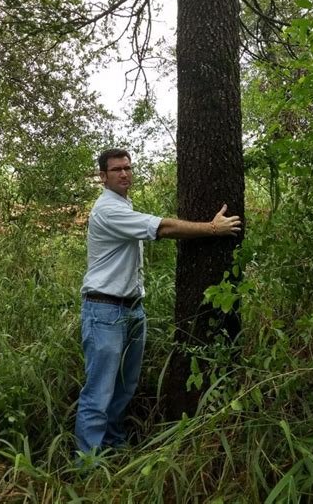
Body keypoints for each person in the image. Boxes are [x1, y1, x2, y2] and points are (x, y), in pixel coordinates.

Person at [74, 148, 241, 459]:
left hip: (131, 308)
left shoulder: (123, 204)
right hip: (105, 310)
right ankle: (87, 466)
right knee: (99, 392)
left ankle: (113, 445)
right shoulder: (108, 210)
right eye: (116, 170)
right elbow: (162, 228)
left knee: (124, 386)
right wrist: (212, 229)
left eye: (127, 167)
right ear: (103, 176)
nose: (124, 173)